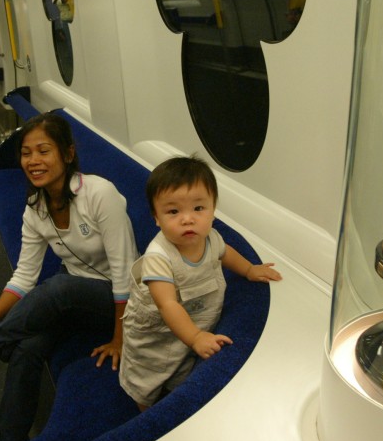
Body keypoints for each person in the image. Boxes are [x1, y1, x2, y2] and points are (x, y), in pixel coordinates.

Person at [0, 112, 138, 441]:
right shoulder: (35, 208)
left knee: (59, 287)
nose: (33, 161)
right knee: (28, 349)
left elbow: (125, 271)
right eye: (26, 153)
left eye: (44, 151)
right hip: (72, 298)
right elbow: (24, 278)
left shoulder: (100, 194)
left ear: (67, 154)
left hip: (117, 304)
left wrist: (120, 338)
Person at [119, 155, 282, 410]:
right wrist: (195, 337)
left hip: (192, 321)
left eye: (198, 208)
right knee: (147, 377)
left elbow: (225, 252)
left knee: (181, 369)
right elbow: (167, 305)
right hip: (154, 334)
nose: (188, 219)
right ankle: (144, 411)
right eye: (173, 211)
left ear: (213, 208)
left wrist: (250, 269)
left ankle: (174, 396)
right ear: (156, 218)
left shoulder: (211, 238)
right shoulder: (158, 257)